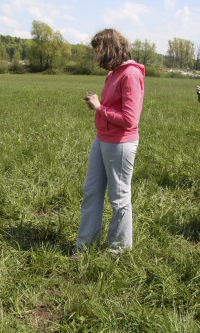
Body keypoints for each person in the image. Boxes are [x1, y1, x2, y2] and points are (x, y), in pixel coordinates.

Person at [75, 28, 145, 255]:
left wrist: (99, 107)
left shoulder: (130, 75)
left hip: (121, 143)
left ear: (109, 49)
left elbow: (129, 119)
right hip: (102, 139)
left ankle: (119, 250)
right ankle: (85, 245)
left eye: (98, 51)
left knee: (119, 198)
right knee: (92, 192)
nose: (96, 57)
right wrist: (100, 108)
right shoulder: (113, 73)